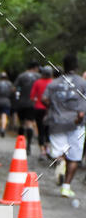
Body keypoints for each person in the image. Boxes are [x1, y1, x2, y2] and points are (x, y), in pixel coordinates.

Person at [42, 54, 86, 198]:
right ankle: (66, 187)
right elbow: (82, 110)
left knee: (59, 153)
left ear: (64, 66)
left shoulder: (54, 83)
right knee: (74, 157)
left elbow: (44, 99)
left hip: (57, 122)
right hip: (76, 124)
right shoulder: (82, 83)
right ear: (76, 66)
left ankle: (60, 163)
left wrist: (53, 108)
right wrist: (79, 116)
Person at [14, 61, 40, 154]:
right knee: (29, 123)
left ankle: (20, 143)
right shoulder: (38, 77)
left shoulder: (21, 76)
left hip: (21, 103)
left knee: (21, 124)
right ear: (35, 67)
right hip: (32, 103)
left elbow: (15, 88)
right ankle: (28, 145)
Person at [30, 65, 53, 160]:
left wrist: (37, 100)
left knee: (40, 130)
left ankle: (42, 151)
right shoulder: (53, 83)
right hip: (49, 110)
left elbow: (32, 96)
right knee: (48, 130)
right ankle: (48, 149)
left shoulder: (37, 82)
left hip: (38, 109)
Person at [0, 71, 14, 137]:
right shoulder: (9, 84)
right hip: (6, 101)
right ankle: (3, 129)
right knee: (4, 116)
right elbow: (12, 92)